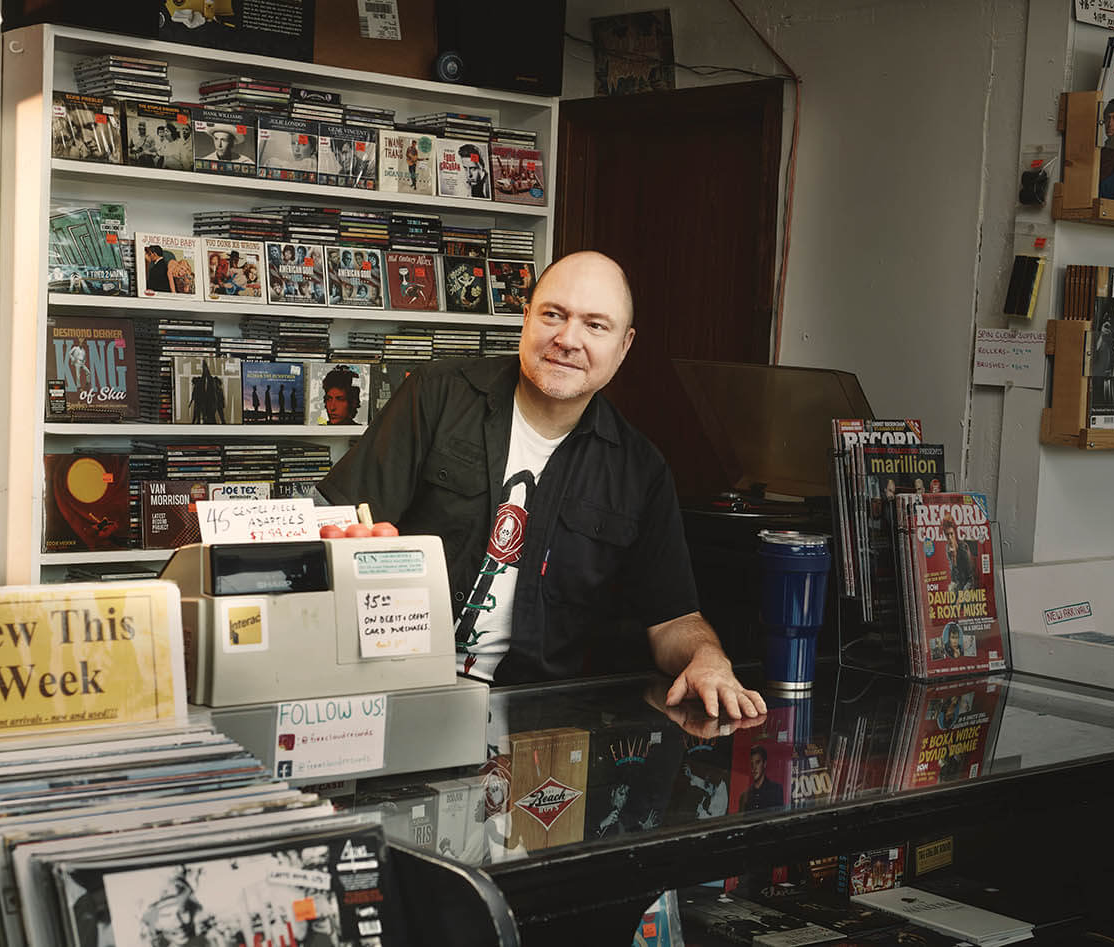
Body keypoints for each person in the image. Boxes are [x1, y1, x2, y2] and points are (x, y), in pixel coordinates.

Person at [318, 250, 766, 719]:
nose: (567, 339)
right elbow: (334, 525)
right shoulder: (437, 394)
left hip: (537, 717)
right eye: (553, 314)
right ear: (526, 317)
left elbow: (673, 619)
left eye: (596, 326)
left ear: (625, 345)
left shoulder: (639, 470)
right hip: (393, 691)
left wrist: (707, 656)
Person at [737, 745, 783, 810]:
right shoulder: (744, 796)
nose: (754, 768)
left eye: (757, 762)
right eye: (752, 764)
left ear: (764, 764)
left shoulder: (776, 790)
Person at [941, 514, 977, 592]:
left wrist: (963, 595)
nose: (950, 538)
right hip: (958, 588)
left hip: (967, 589)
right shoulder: (948, 549)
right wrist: (953, 558)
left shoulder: (963, 548)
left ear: (955, 533)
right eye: (947, 535)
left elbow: (970, 579)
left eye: (951, 534)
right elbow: (954, 579)